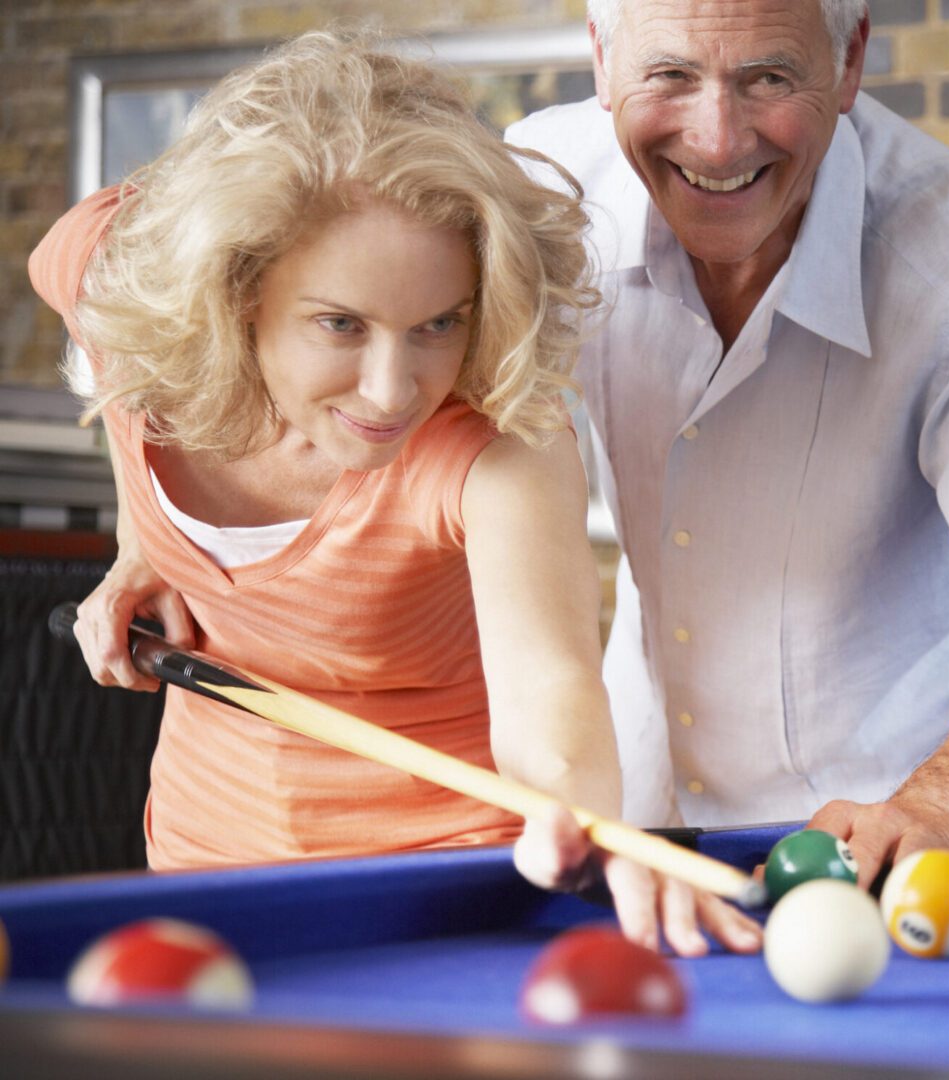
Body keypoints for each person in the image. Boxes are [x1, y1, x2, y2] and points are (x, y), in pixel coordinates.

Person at [29, 30, 759, 957]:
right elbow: (70, 277)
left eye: (437, 325)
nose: (391, 390)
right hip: (202, 868)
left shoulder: (499, 448)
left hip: (446, 900)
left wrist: (592, 827)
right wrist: (143, 541)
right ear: (234, 290)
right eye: (341, 324)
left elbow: (551, 701)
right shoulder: (132, 304)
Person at [506, 0, 949, 883]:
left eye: (768, 77)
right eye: (670, 75)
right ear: (602, 61)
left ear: (850, 60)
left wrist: (939, 808)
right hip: (646, 832)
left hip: (898, 834)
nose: (717, 142)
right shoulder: (537, 204)